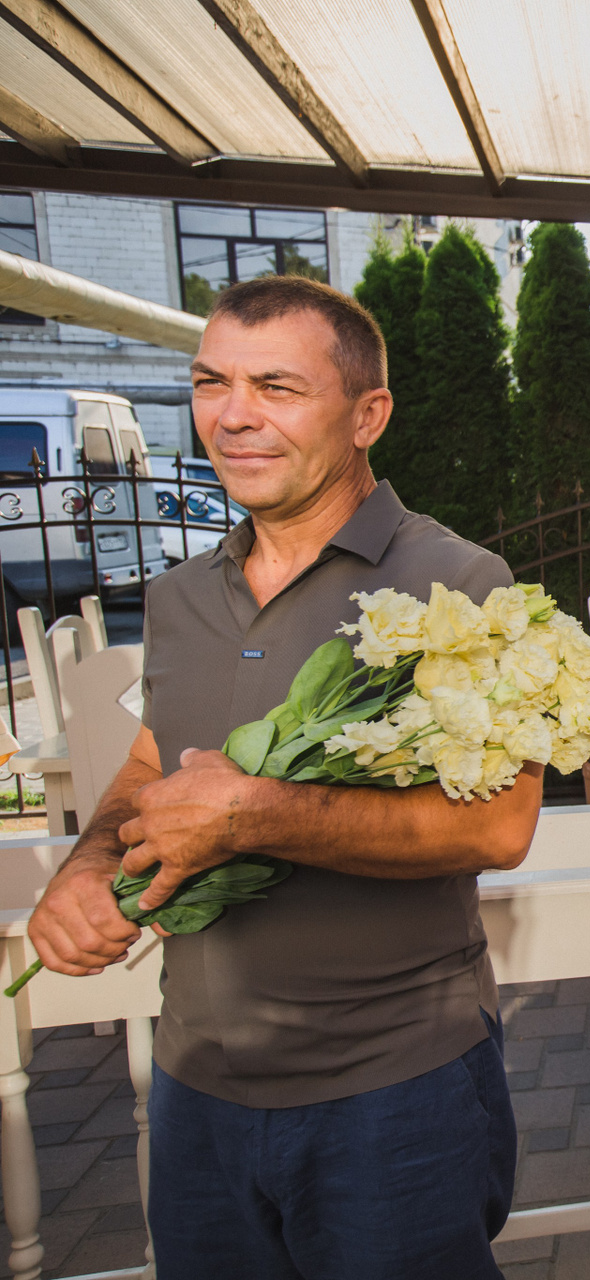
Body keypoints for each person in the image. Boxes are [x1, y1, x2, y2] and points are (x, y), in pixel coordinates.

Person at [23, 275, 539, 1279]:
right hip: (193, 1085)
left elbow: (499, 826)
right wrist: (87, 865)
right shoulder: (179, 595)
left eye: (277, 387)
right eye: (210, 382)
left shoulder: (460, 582)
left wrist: (259, 814)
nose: (232, 415)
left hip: (394, 1090)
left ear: (367, 415)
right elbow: (152, 759)